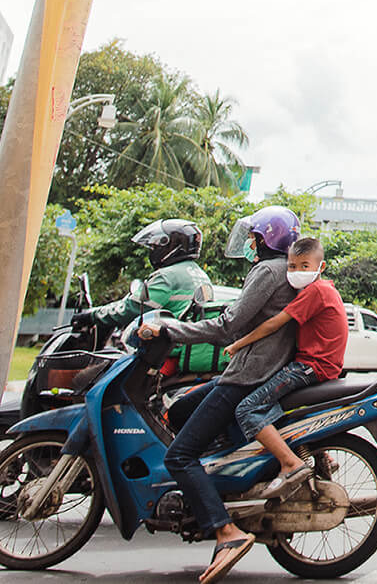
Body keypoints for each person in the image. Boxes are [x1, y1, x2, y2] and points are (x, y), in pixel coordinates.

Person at [141, 205, 302, 584]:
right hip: (252, 369)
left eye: (253, 237)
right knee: (180, 412)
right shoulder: (283, 272)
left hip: (247, 376)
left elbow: (229, 325)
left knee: (179, 456)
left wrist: (170, 330)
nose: (248, 243)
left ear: (266, 239)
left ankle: (225, 530)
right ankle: (220, 485)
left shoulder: (268, 270)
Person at [221, 237, 346, 501]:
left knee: (247, 409)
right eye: (292, 266)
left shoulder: (315, 292)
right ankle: (320, 455)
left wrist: (237, 345)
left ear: (320, 267)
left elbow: (273, 324)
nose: (297, 272)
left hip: (309, 368)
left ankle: (291, 463)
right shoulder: (326, 289)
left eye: (304, 266)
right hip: (321, 368)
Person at [79, 218, 213, 333]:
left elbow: (132, 308)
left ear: (170, 246)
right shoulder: (202, 275)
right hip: (185, 345)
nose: (153, 251)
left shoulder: (168, 276)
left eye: (155, 247)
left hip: (165, 349)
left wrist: (92, 315)